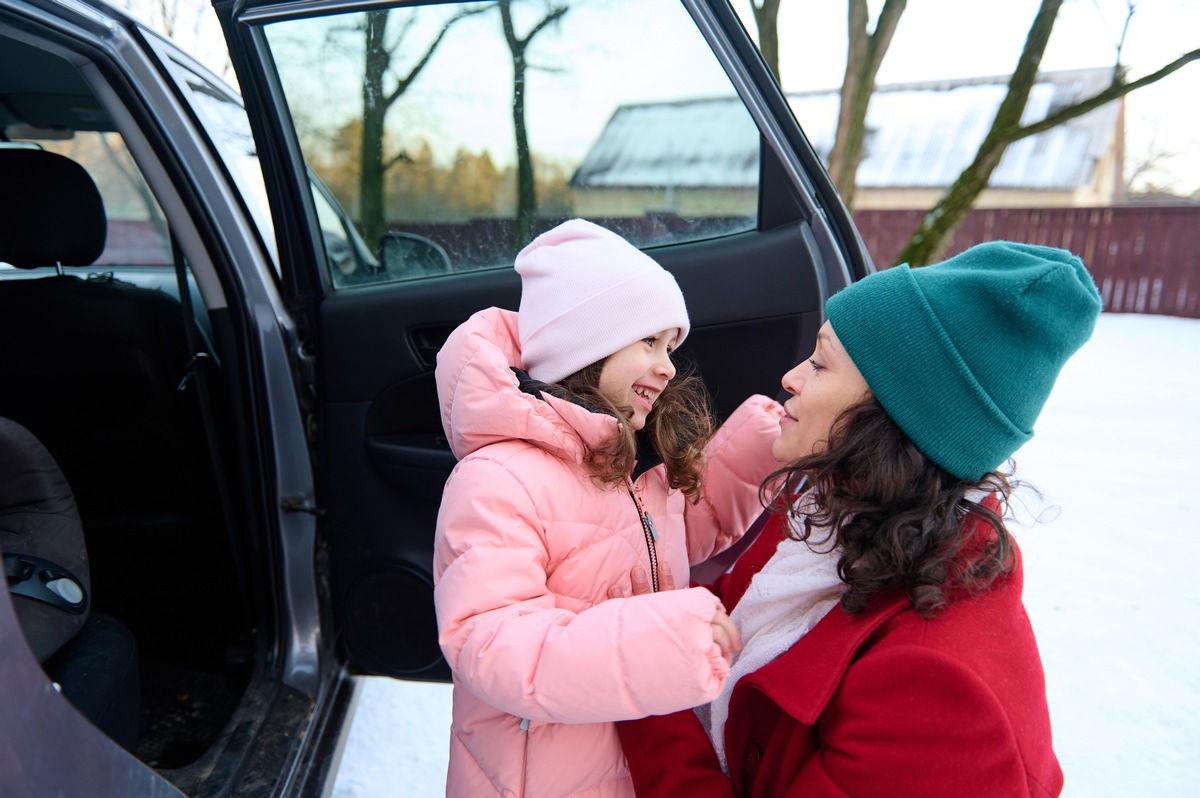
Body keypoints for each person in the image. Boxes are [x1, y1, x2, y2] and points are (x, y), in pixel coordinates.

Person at [615, 241, 1103, 798]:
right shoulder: (832, 515)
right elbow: (718, 622)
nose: (792, 377)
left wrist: (638, 680)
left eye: (821, 363)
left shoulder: (939, 700)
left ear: (891, 415)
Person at [432, 219, 783, 797]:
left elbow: (658, 544)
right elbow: (491, 642)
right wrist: (664, 643)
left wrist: (751, 454)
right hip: (542, 774)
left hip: (630, 757)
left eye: (670, 348)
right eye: (649, 342)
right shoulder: (497, 479)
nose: (669, 367)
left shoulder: (624, 465)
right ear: (586, 345)